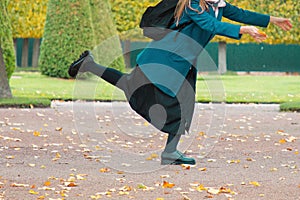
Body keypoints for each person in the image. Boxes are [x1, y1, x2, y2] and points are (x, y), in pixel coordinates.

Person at [68, 0, 292, 165]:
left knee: (183, 101)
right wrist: (241, 30)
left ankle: (170, 152)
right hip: (165, 57)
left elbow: (242, 13)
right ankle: (89, 65)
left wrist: (272, 20)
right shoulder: (194, 5)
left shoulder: (219, 6)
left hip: (182, 62)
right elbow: (210, 25)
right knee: (132, 85)